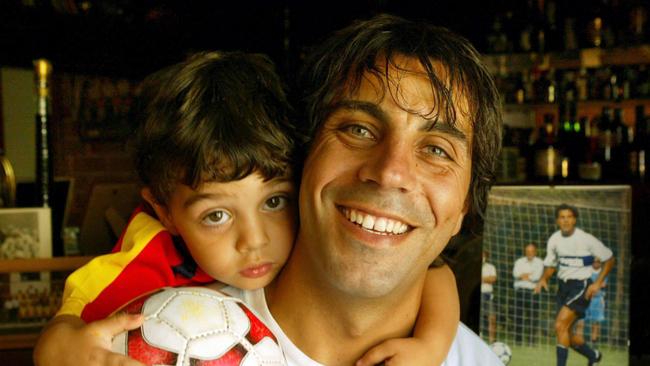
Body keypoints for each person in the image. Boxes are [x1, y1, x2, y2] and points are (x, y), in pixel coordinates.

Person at [37, 14, 505, 365]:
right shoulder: (161, 340)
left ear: (464, 204)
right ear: (304, 157)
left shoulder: (470, 358)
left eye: (438, 150)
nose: (390, 173)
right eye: (359, 129)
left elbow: (436, 272)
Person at [535, 204, 615, 366]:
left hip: (581, 287)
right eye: (562, 217)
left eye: (569, 217)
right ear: (558, 220)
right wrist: (543, 279)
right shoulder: (554, 239)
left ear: (575, 219)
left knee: (559, 325)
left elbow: (610, 259)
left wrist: (597, 283)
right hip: (563, 287)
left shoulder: (586, 239)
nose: (566, 220)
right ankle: (593, 355)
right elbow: (551, 265)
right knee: (565, 332)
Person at [512, 242, 544, 346]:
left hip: (532, 292)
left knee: (532, 318)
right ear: (525, 251)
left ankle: (531, 342)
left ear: (535, 251)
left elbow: (536, 277)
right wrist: (529, 275)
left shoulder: (539, 262)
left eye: (532, 251)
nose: (529, 253)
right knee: (518, 317)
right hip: (520, 292)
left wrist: (523, 275)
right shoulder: (519, 261)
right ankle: (518, 342)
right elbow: (515, 274)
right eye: (528, 251)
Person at [575, 258, 608, 348]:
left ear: (600, 263)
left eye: (598, 261)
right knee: (580, 322)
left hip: (597, 300)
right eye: (594, 261)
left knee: (595, 323)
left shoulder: (603, 273)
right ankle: (579, 343)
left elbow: (603, 284)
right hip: (585, 299)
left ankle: (594, 344)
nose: (596, 263)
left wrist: (593, 287)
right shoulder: (587, 271)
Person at [481, 250, 497, 343]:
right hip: (480, 294)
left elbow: (493, 279)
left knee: (492, 317)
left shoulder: (491, 267)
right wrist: (486, 278)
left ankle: (492, 341)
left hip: (488, 294)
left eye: (484, 256)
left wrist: (483, 278)